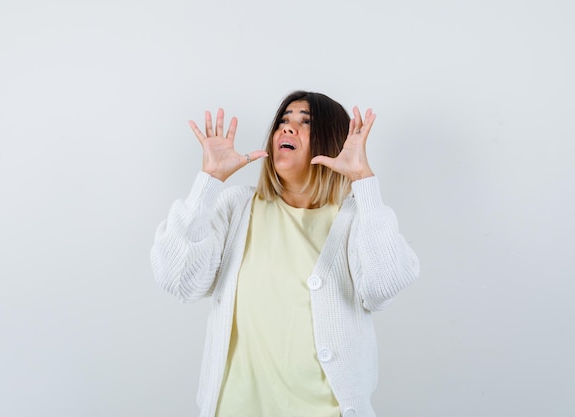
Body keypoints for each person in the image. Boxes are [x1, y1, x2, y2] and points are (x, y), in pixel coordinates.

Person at [150, 91, 420, 417]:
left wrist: (364, 182)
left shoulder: (356, 220)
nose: (287, 129)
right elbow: (178, 280)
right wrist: (209, 182)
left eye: (304, 122)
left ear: (331, 141)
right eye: (283, 120)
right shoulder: (237, 207)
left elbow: (383, 287)